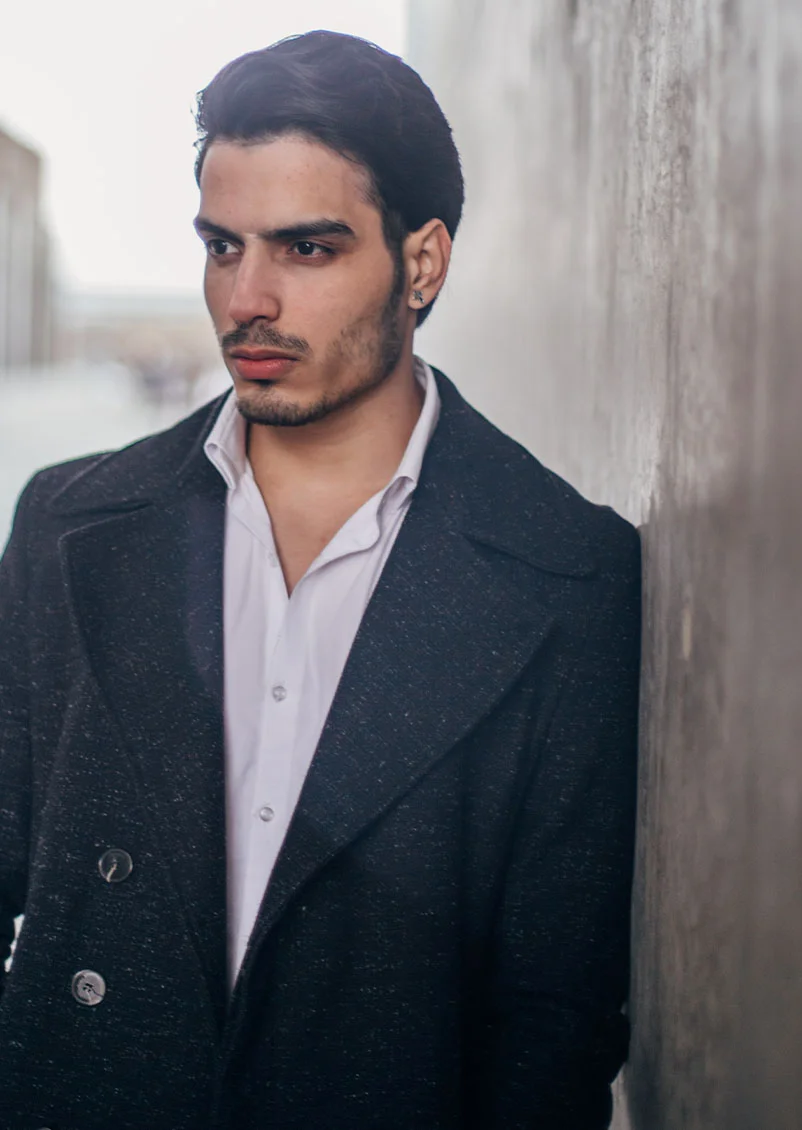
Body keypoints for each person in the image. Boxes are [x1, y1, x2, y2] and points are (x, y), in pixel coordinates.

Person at [0, 31, 641, 1130]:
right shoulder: (72, 524)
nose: (246, 298)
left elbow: (554, 1012)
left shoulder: (566, 573)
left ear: (423, 262)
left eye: (305, 249)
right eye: (221, 246)